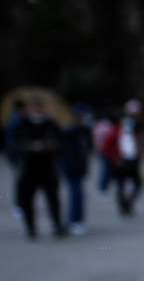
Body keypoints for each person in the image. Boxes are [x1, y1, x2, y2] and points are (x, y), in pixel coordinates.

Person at [13, 96, 66, 239]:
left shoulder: (50, 123)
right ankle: (30, 228)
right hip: (29, 167)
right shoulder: (22, 124)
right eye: (34, 107)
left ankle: (57, 225)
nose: (37, 109)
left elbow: (60, 141)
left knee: (53, 198)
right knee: (28, 199)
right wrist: (30, 147)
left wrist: (51, 145)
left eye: (39, 106)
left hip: (47, 166)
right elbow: (15, 144)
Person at [58, 104, 94, 235]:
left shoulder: (85, 130)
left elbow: (87, 150)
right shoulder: (70, 131)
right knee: (76, 194)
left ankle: (77, 219)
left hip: (80, 166)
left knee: (79, 193)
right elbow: (62, 151)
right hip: (71, 166)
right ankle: (75, 220)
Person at [111, 99, 144, 216]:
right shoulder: (129, 125)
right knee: (135, 183)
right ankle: (125, 205)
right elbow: (129, 142)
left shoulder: (121, 123)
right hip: (127, 158)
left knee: (123, 184)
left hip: (125, 158)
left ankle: (124, 205)